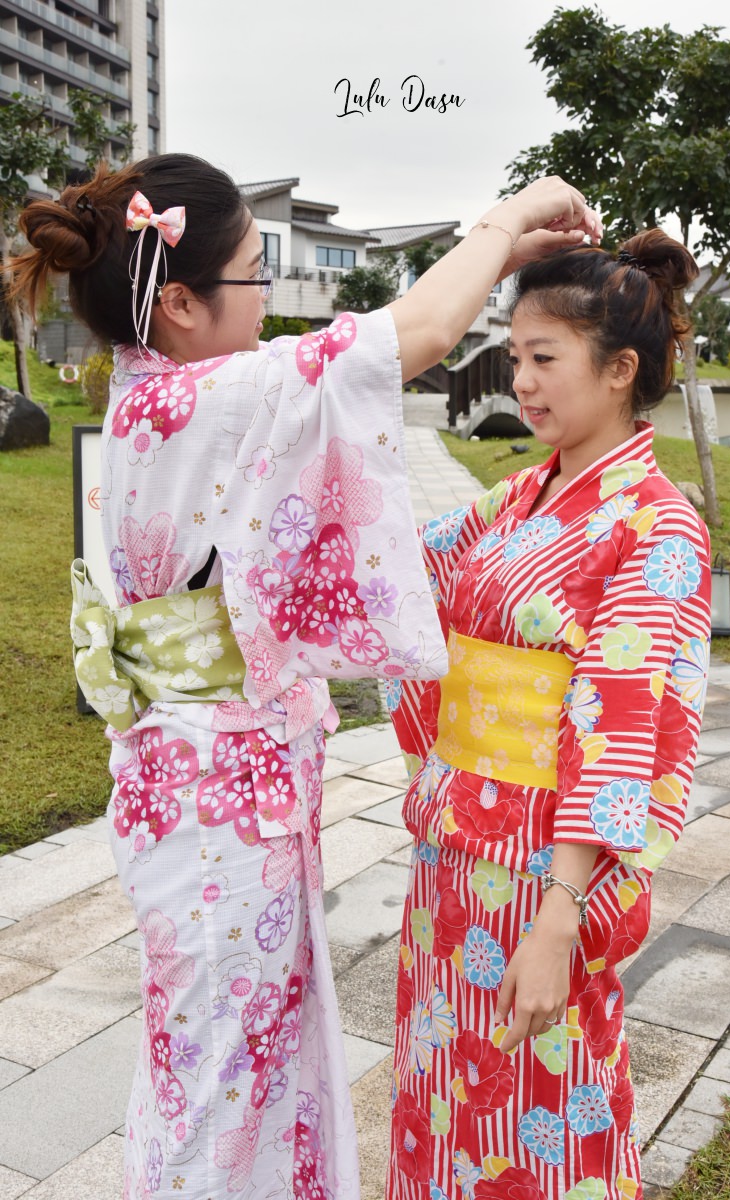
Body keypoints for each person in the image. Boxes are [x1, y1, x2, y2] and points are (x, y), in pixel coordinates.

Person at [9, 155, 600, 1200]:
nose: (269, 302)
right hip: (217, 814)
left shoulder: (158, 401)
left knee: (220, 1066)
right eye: (253, 276)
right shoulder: (204, 400)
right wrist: (506, 218)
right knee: (229, 1084)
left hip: (195, 791)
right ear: (180, 303)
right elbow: (405, 338)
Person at [386, 230, 712, 1200]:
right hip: (454, 857)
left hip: (541, 876)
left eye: (542, 359)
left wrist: (561, 916)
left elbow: (616, 723)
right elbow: (402, 569)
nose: (518, 381)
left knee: (537, 1115)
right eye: (513, 356)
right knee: (440, 1095)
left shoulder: (657, 526)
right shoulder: (519, 496)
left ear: (618, 371)